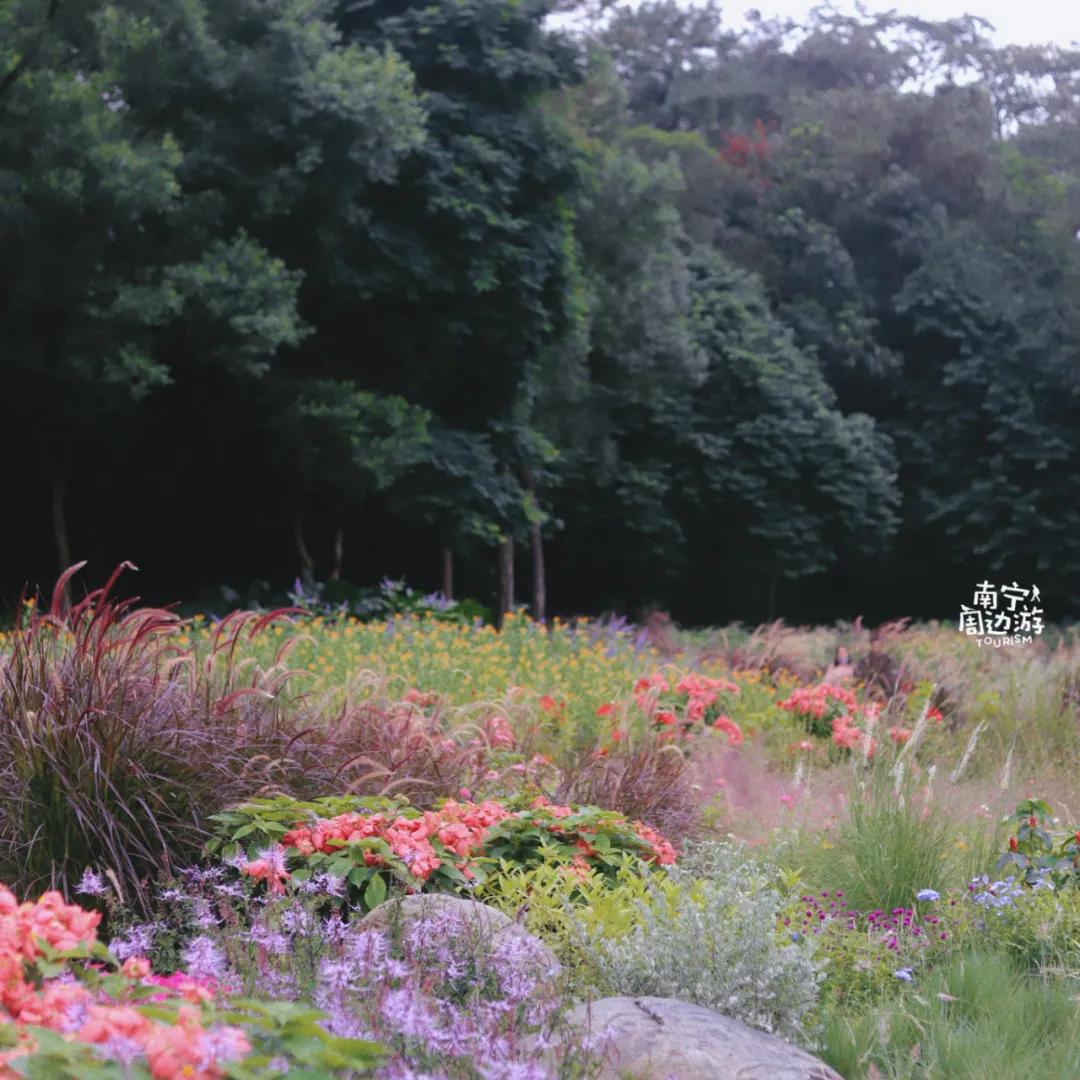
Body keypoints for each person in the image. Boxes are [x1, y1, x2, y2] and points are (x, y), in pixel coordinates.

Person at [854, 630, 900, 701]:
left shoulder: (887, 659)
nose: (876, 647)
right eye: (874, 645)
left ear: (881, 646)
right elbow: (858, 673)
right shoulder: (865, 660)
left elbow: (893, 672)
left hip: (886, 687)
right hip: (870, 688)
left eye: (878, 645)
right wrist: (871, 675)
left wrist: (884, 677)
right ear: (871, 646)